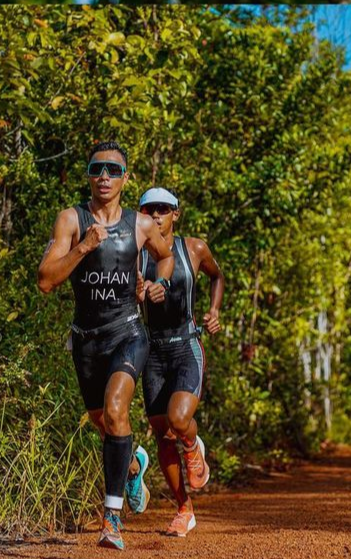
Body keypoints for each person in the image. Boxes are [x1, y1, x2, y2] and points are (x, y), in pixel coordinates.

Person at [37, 142, 174, 550]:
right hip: (87, 340)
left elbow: (165, 256)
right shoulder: (72, 220)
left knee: (116, 411)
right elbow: (46, 280)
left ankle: (111, 520)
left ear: (125, 179)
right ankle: (132, 465)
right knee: (104, 421)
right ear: (88, 175)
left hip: (128, 333)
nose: (104, 176)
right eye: (97, 169)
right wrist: (83, 247)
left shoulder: (141, 224)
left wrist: (158, 283)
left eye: (113, 171)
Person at [137, 187, 225, 538]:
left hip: (186, 345)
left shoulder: (194, 249)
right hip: (153, 351)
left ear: (176, 213)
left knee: (178, 419)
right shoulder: (136, 254)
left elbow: (217, 276)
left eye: (163, 209)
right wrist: (139, 292)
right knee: (162, 434)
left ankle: (191, 443)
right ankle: (184, 509)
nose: (156, 215)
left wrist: (214, 311)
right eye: (149, 210)